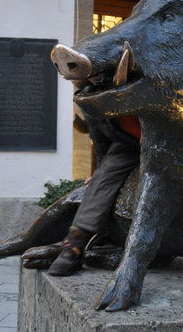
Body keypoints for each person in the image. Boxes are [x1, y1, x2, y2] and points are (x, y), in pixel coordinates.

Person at [48, 113, 140, 276]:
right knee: (102, 180)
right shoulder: (89, 97)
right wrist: (100, 171)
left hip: (170, 138)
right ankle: (75, 244)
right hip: (129, 144)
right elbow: (100, 140)